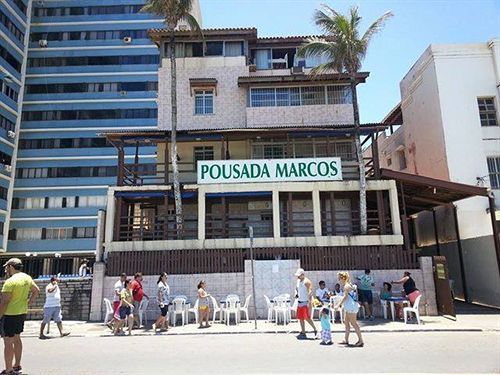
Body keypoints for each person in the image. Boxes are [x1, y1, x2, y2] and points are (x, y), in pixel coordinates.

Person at [0, 258, 40, 375]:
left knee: (8, 342)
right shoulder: (26, 277)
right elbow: (36, 291)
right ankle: (17, 365)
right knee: (17, 338)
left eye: (6, 267)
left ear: (11, 267)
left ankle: (8, 370)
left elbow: (4, 302)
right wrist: (28, 303)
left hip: (9, 314)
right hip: (21, 313)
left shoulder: (10, 282)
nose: (6, 270)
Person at [335, 271, 364, 347]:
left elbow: (345, 297)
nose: (339, 280)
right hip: (349, 306)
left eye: (339, 278)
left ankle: (361, 341)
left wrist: (338, 305)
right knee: (346, 323)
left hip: (351, 307)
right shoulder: (348, 285)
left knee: (354, 323)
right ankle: (346, 340)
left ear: (343, 278)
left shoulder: (346, 286)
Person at [294, 268, 318, 339]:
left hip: (305, 302)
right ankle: (303, 332)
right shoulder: (298, 281)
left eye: (299, 275)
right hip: (299, 301)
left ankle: (315, 330)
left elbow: (310, 292)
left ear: (302, 275)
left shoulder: (307, 281)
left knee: (307, 318)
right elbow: (296, 289)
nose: (297, 277)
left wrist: (310, 303)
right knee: (301, 318)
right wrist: (296, 293)